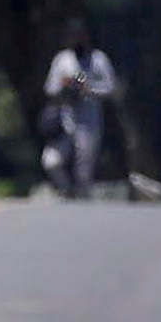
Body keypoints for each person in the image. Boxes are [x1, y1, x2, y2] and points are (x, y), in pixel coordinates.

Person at [41, 20, 116, 200]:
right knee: (51, 162)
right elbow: (49, 88)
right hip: (65, 122)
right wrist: (63, 86)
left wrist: (87, 90)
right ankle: (66, 190)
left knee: (83, 172)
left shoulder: (98, 60)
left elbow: (110, 87)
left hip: (89, 122)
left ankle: (81, 203)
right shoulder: (62, 60)